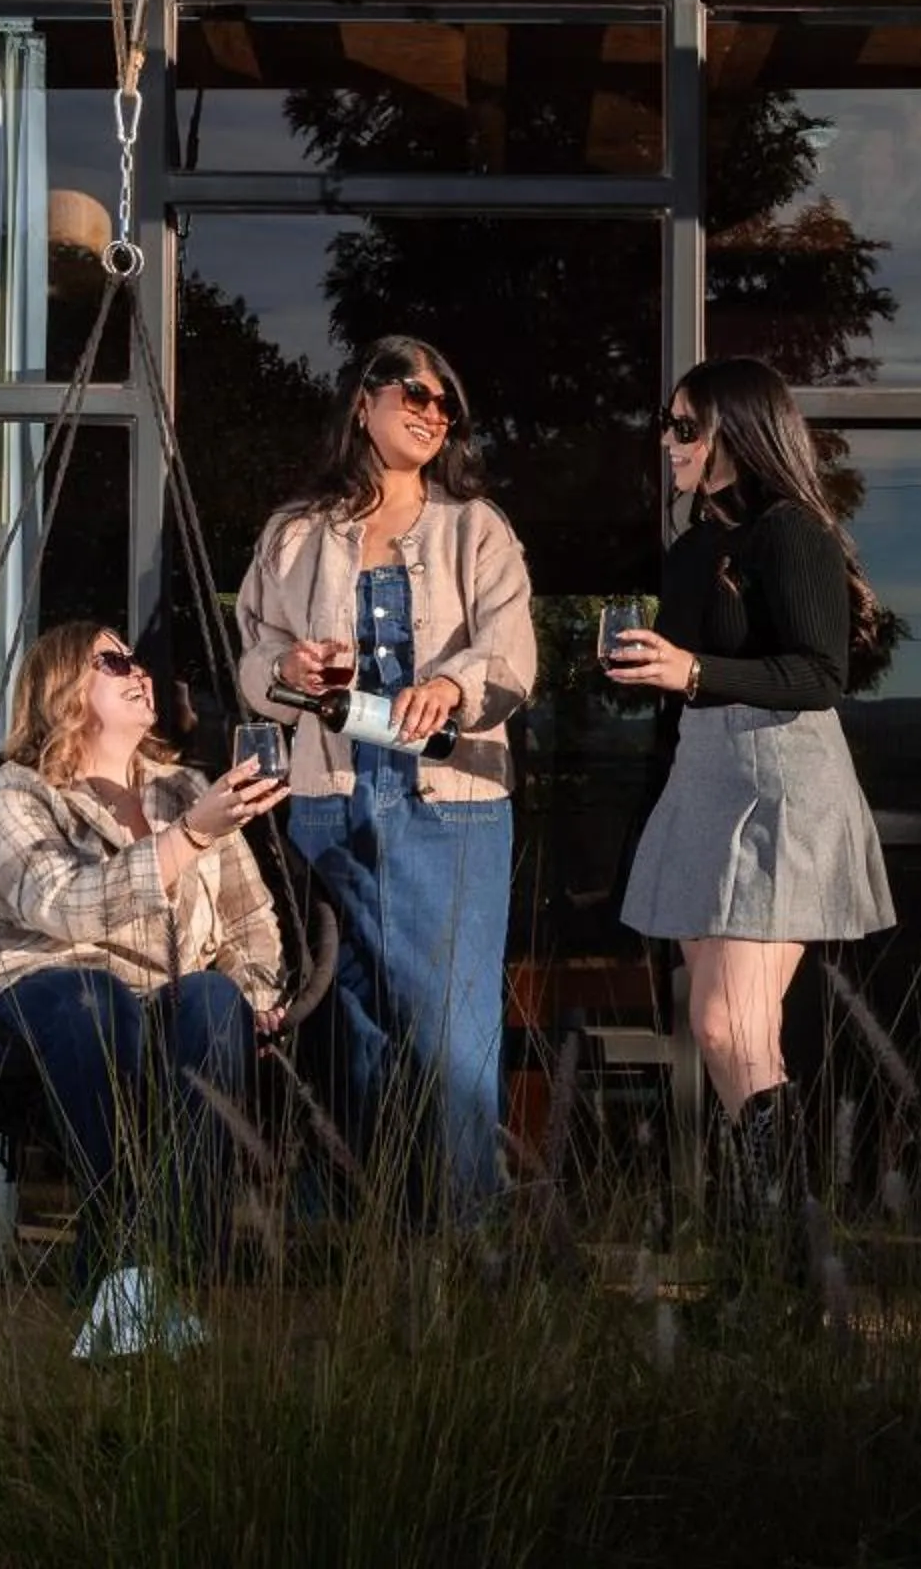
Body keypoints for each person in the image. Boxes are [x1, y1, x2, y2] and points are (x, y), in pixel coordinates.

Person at [236, 335, 537, 1221]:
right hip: (326, 803)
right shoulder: (294, 534)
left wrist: (451, 685)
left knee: (449, 1031)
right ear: (362, 401)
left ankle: (465, 1237)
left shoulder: (475, 528)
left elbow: (515, 657)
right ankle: (357, 1238)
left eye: (447, 405)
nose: (433, 412)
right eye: (415, 392)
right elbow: (252, 662)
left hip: (451, 810)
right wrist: (293, 671)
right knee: (344, 1024)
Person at [605, 356, 894, 1235]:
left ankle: (785, 1245)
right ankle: (771, 1246)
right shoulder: (694, 547)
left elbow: (817, 673)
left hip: (780, 782)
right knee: (721, 1023)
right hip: (706, 774)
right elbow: (695, 674)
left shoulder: (789, 531)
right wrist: (642, 673)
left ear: (738, 431)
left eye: (687, 427)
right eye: (668, 424)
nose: (670, 442)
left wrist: (692, 669)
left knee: (732, 1024)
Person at [0, 620, 290, 1276]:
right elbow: (65, 904)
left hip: (167, 999)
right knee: (95, 999)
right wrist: (189, 839)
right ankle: (118, 1248)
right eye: (112, 663)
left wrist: (256, 995)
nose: (139, 671)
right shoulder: (19, 794)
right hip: (49, 995)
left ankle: (189, 1255)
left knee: (216, 997)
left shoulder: (185, 791)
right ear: (65, 691)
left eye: (135, 660)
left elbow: (251, 921)